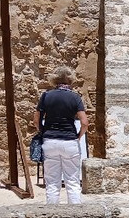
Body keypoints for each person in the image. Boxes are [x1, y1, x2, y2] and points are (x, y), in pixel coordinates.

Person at [33, 68, 88, 204]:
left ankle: (52, 217)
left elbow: (36, 120)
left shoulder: (46, 96)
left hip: (50, 142)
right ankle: (75, 217)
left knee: (52, 182)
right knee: (73, 182)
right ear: (70, 80)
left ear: (54, 80)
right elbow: (85, 122)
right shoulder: (75, 97)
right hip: (70, 141)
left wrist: (43, 132)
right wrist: (79, 136)